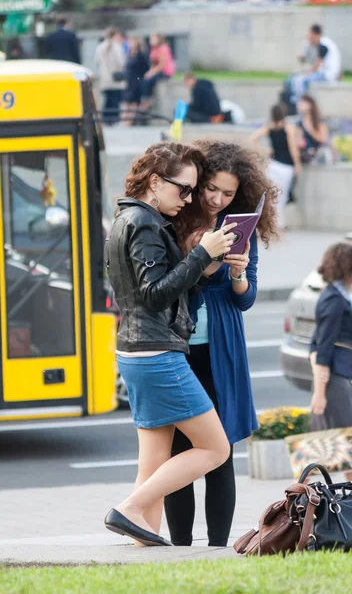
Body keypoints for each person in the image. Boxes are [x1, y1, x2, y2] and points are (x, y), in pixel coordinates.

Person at [104, 142, 238, 546]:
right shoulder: (144, 223)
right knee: (216, 449)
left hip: (136, 351)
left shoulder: (127, 217)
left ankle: (144, 544)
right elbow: (155, 293)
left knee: (154, 464)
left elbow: (162, 290)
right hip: (157, 354)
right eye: (184, 189)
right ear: (155, 181)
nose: (191, 199)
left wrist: (205, 265)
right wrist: (200, 254)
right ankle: (128, 509)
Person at [164, 140, 279, 547]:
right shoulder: (177, 218)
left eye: (227, 194)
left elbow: (244, 299)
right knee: (180, 451)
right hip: (180, 347)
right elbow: (173, 284)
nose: (215, 198)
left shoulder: (238, 226)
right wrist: (203, 258)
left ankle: (216, 545)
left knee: (221, 451)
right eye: (210, 188)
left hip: (222, 349)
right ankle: (179, 545)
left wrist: (238, 272)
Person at [309, 243, 352, 486]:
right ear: (349, 266)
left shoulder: (337, 296)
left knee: (340, 446)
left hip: (338, 378)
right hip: (335, 381)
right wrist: (319, 393)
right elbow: (321, 350)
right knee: (347, 445)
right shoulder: (334, 300)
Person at [250, 104, 301, 230]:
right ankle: (278, 223)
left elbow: (252, 139)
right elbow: (293, 148)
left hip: (273, 165)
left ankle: (272, 222)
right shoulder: (288, 128)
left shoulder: (269, 128)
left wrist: (265, 149)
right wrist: (298, 164)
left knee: (271, 194)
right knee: (281, 196)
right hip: (286, 167)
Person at [282, 24, 341, 114]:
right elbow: (306, 59)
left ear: (316, 35)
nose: (310, 39)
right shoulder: (316, 44)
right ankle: (289, 103)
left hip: (327, 75)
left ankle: (299, 103)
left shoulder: (324, 45)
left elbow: (318, 64)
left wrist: (307, 73)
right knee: (291, 78)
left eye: (311, 36)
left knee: (301, 80)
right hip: (321, 72)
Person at [94, 27, 126, 126]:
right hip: (115, 77)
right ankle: (113, 119)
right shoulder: (117, 46)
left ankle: (106, 118)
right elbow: (121, 62)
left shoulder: (100, 47)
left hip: (105, 77)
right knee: (115, 99)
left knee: (107, 99)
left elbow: (97, 61)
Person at [140, 34, 176, 114]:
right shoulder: (154, 49)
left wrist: (151, 73)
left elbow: (162, 65)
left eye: (152, 39)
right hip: (157, 70)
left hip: (165, 72)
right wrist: (150, 72)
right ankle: (146, 99)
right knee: (144, 79)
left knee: (148, 81)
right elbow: (153, 63)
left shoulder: (163, 48)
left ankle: (146, 101)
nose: (151, 41)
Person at [121, 37, 149, 126]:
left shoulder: (140, 55)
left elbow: (145, 68)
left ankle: (130, 121)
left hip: (136, 81)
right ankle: (124, 120)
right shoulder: (130, 54)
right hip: (129, 80)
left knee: (133, 101)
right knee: (125, 101)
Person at [297, 94, 329, 164]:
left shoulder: (319, 121)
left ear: (310, 105)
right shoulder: (300, 123)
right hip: (305, 153)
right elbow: (300, 141)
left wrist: (310, 130)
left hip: (318, 152)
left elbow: (323, 140)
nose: (299, 105)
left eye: (302, 103)